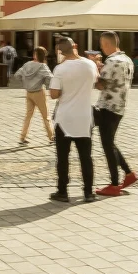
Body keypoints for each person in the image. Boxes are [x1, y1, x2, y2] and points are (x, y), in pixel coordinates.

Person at [48, 36, 98, 203]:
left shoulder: (60, 69)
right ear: (75, 46)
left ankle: (62, 191)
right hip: (84, 116)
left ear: (59, 51)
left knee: (63, 157)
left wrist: (65, 90)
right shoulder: (90, 64)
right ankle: (88, 192)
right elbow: (97, 83)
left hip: (65, 117)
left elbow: (54, 94)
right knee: (86, 156)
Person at [93, 31, 137, 197]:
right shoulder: (127, 59)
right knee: (110, 142)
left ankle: (114, 183)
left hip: (107, 106)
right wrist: (99, 67)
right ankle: (129, 174)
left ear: (106, 44)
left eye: (101, 44)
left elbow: (100, 85)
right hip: (120, 106)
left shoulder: (111, 61)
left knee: (107, 145)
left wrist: (94, 68)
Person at [13, 47, 54, 145]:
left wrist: (26, 81)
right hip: (39, 92)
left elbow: (17, 75)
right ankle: (51, 136)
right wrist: (44, 82)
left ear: (34, 55)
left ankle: (23, 137)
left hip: (29, 92)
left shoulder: (27, 64)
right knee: (46, 116)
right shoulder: (43, 66)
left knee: (28, 116)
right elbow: (51, 78)